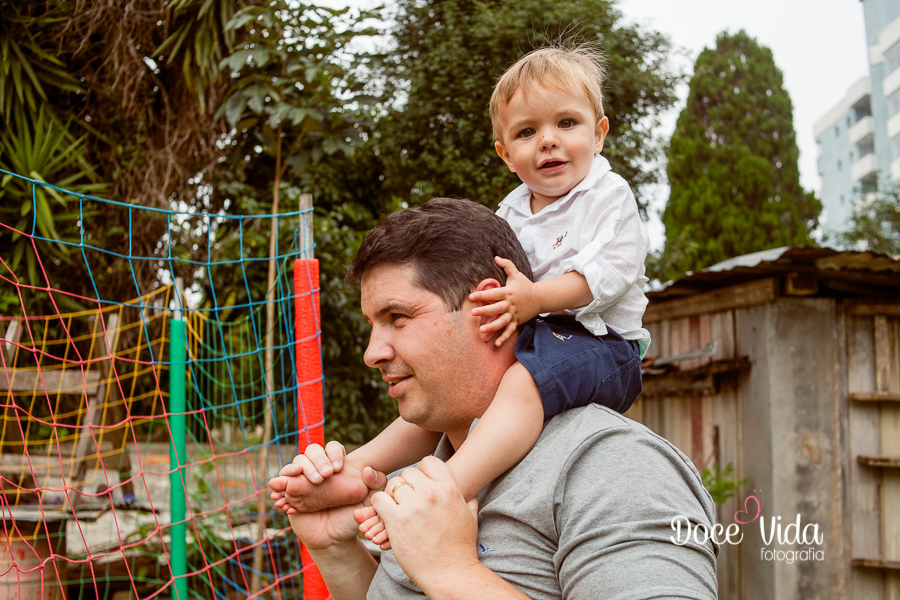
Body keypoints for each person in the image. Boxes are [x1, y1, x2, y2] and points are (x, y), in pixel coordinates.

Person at [272, 43, 651, 549]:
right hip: (540, 328)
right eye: (526, 132)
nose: (548, 142)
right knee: (443, 404)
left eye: (567, 123)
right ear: (504, 153)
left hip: (605, 343)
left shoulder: (608, 196)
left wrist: (534, 298)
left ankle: (444, 488)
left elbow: (612, 275)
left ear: (599, 132)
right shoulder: (512, 211)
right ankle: (355, 468)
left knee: (519, 387)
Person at [271, 198, 718, 600]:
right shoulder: (422, 477)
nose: (373, 353)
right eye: (373, 323)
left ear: (488, 308)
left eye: (398, 317)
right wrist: (334, 549)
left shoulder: (612, 467)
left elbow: (445, 578)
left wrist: (454, 574)